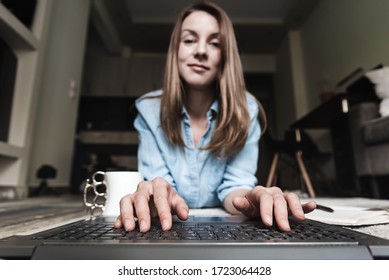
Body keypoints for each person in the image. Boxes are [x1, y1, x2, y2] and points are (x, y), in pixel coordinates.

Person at [115, 1, 316, 233]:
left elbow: (235, 187)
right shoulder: (148, 110)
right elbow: (161, 188)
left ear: (224, 57)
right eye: (189, 40)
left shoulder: (247, 109)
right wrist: (156, 191)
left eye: (214, 43)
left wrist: (253, 196)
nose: (200, 51)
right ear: (175, 51)